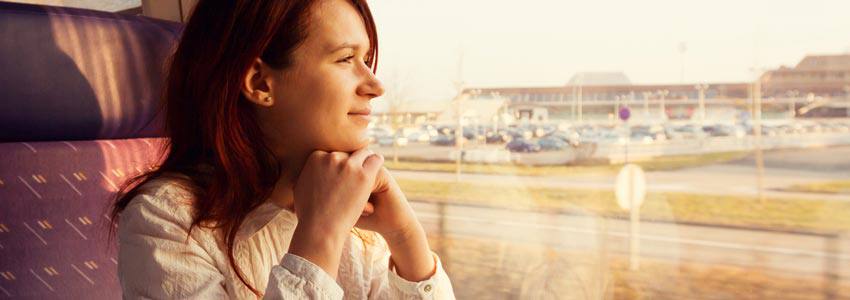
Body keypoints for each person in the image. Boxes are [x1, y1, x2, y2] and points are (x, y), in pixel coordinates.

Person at [108, 0, 455, 298]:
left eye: (367, 59)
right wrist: (320, 235)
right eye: (346, 59)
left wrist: (406, 237)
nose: (376, 86)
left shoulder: (354, 206)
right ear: (260, 83)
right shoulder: (166, 218)